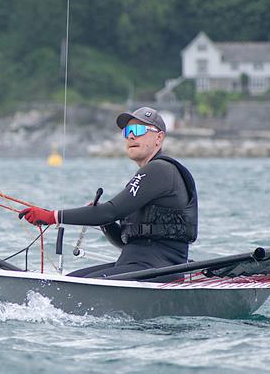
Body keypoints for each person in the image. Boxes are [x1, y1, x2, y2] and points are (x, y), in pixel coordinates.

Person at [19, 107, 197, 278]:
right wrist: (106, 223)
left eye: (139, 129)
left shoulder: (160, 170)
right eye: (127, 131)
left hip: (158, 269)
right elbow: (125, 240)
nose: (132, 135)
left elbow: (110, 211)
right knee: (72, 280)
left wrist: (52, 216)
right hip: (135, 263)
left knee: (69, 290)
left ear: (159, 138)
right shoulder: (150, 174)